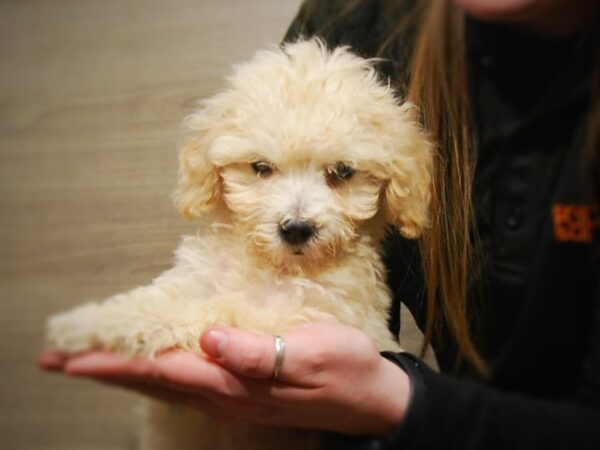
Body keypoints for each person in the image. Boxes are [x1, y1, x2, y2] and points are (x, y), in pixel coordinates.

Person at [39, 0, 600, 448]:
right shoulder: (353, 18)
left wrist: (391, 398)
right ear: (210, 166)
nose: (297, 216)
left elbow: (289, 329)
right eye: (262, 169)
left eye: (340, 174)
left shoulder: (356, 253)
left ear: (396, 175)